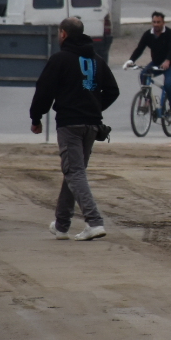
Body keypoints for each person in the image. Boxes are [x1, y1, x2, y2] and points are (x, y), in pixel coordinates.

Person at [30, 16, 120, 241]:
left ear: (63, 34)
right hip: (92, 125)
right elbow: (113, 90)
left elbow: (44, 90)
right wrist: (94, 106)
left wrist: (36, 117)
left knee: (74, 172)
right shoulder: (97, 59)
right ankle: (62, 225)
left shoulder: (60, 59)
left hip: (70, 124)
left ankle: (94, 222)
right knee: (73, 172)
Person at [124, 11, 171, 119]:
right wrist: (131, 61)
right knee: (143, 74)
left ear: (163, 22)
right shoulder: (148, 34)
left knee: (168, 85)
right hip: (156, 63)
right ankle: (147, 101)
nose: (156, 24)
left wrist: (168, 60)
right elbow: (139, 49)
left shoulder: (170, 33)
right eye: (154, 22)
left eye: (158, 22)